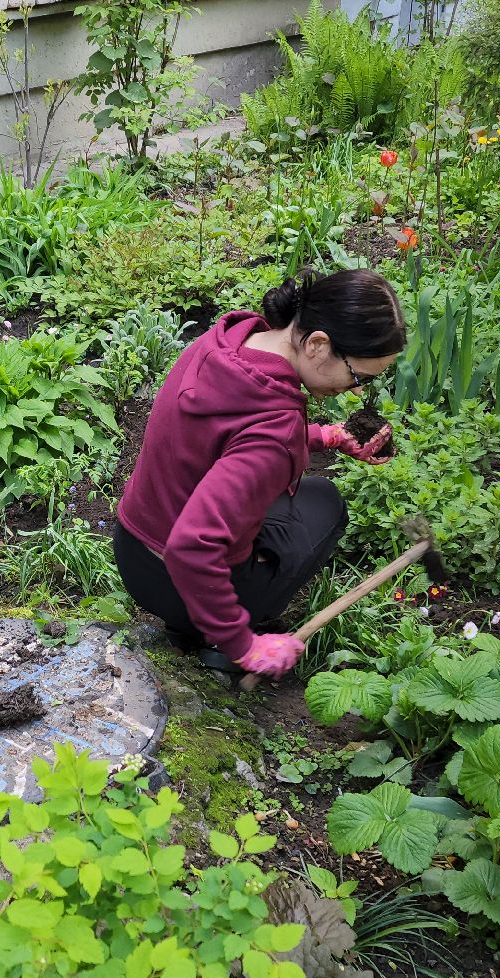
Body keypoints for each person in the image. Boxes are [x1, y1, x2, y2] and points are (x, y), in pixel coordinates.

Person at [113, 268, 406, 680]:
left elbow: (235, 439)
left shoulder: (228, 340)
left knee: (301, 497)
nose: (356, 390)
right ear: (318, 345)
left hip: (133, 549)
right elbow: (192, 546)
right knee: (326, 506)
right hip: (178, 580)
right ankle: (216, 642)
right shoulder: (276, 431)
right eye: (358, 376)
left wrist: (327, 436)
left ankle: (194, 625)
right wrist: (245, 646)